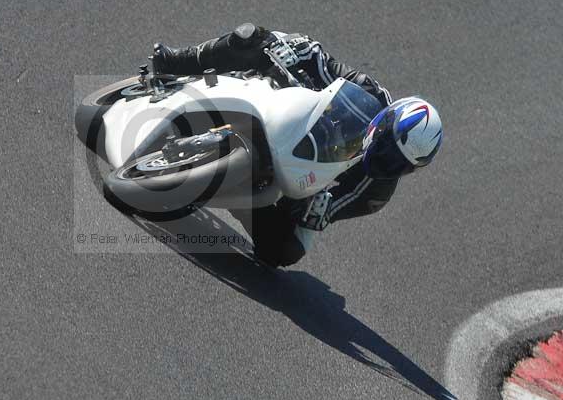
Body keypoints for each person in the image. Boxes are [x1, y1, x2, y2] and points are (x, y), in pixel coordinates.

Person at [152, 23, 443, 267]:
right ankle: (178, 62)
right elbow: (322, 62)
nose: (385, 160)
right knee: (251, 36)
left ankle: (234, 189)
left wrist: (319, 212)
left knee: (284, 252)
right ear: (385, 119)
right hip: (291, 115)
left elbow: (332, 209)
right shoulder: (367, 91)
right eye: (386, 146)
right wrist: (298, 50)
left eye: (398, 164)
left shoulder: (376, 191)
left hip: (299, 179)